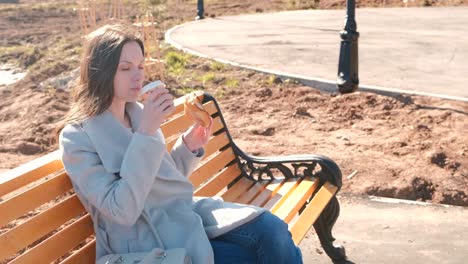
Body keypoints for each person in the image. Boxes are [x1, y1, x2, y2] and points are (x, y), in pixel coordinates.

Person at [56, 23, 302, 264]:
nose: (138, 75)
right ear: (101, 71)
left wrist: (188, 147)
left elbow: (162, 178)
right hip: (149, 241)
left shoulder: (138, 112)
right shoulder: (77, 137)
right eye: (125, 68)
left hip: (181, 215)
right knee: (262, 255)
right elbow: (122, 211)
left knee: (273, 231)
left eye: (141, 66)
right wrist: (145, 133)